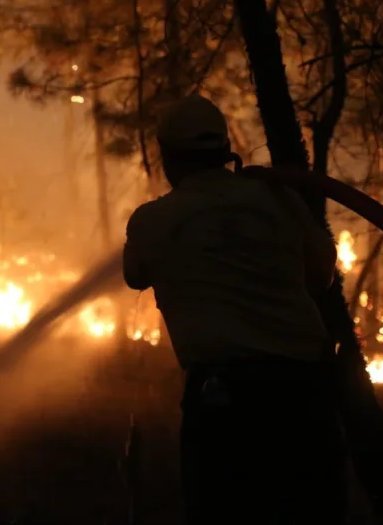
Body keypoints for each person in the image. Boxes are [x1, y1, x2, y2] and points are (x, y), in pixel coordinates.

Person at [122, 95, 345, 524]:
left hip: (225, 404)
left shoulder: (154, 220)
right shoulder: (279, 200)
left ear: (167, 158)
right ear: (226, 152)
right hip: (305, 396)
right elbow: (322, 275)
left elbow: (135, 274)